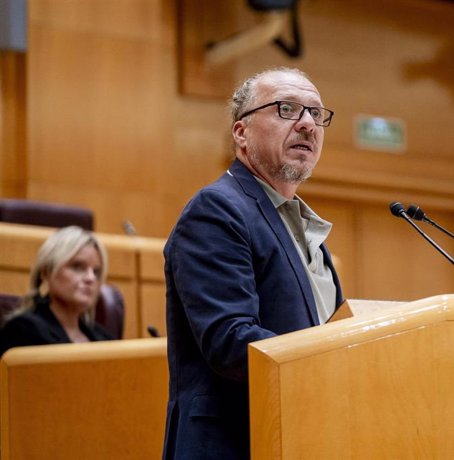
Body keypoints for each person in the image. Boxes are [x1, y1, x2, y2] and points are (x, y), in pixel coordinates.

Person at [162, 67, 344, 459]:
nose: (308, 124)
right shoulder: (218, 210)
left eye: (316, 113)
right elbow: (230, 340)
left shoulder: (300, 224)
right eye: (287, 109)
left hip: (301, 436)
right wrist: (335, 364)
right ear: (241, 133)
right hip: (234, 442)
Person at [0, 226, 113, 357]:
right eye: (78, 267)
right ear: (46, 272)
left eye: (96, 272)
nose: (90, 278)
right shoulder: (23, 331)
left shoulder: (105, 339)